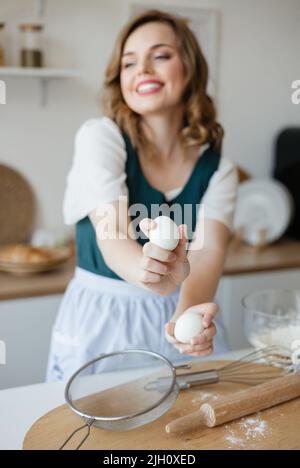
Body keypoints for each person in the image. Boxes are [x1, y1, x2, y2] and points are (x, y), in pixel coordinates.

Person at [46, 9, 238, 381]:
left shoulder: (219, 171)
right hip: (103, 320)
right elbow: (113, 235)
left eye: (160, 55)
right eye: (129, 62)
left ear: (191, 68)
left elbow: (208, 252)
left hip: (180, 307)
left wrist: (189, 318)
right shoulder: (101, 137)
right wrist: (150, 273)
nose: (142, 70)